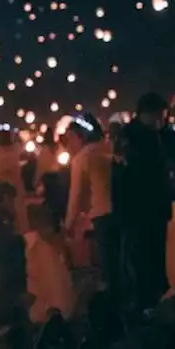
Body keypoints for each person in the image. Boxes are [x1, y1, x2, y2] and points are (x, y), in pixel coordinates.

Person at [113, 93, 175, 312]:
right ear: (146, 114)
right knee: (142, 260)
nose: (161, 122)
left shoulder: (156, 135)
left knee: (157, 257)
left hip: (156, 208)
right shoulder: (130, 138)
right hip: (138, 210)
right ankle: (144, 305)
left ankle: (156, 301)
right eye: (158, 117)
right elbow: (125, 179)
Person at [62, 113, 118, 290]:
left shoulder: (83, 158)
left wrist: (68, 226)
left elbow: (76, 197)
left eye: (71, 138)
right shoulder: (111, 148)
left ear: (80, 136)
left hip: (103, 217)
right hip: (125, 212)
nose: (69, 144)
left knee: (108, 266)